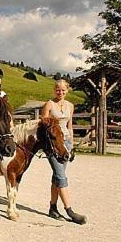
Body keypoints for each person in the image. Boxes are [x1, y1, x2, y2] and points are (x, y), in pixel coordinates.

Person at [41, 79, 87, 225]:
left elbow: (70, 126)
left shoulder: (70, 106)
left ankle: (53, 208)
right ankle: (69, 210)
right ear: (54, 90)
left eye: (63, 90)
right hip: (53, 143)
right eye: (57, 89)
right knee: (61, 175)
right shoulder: (49, 104)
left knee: (57, 176)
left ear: (67, 90)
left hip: (65, 142)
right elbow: (43, 125)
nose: (60, 92)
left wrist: (71, 146)